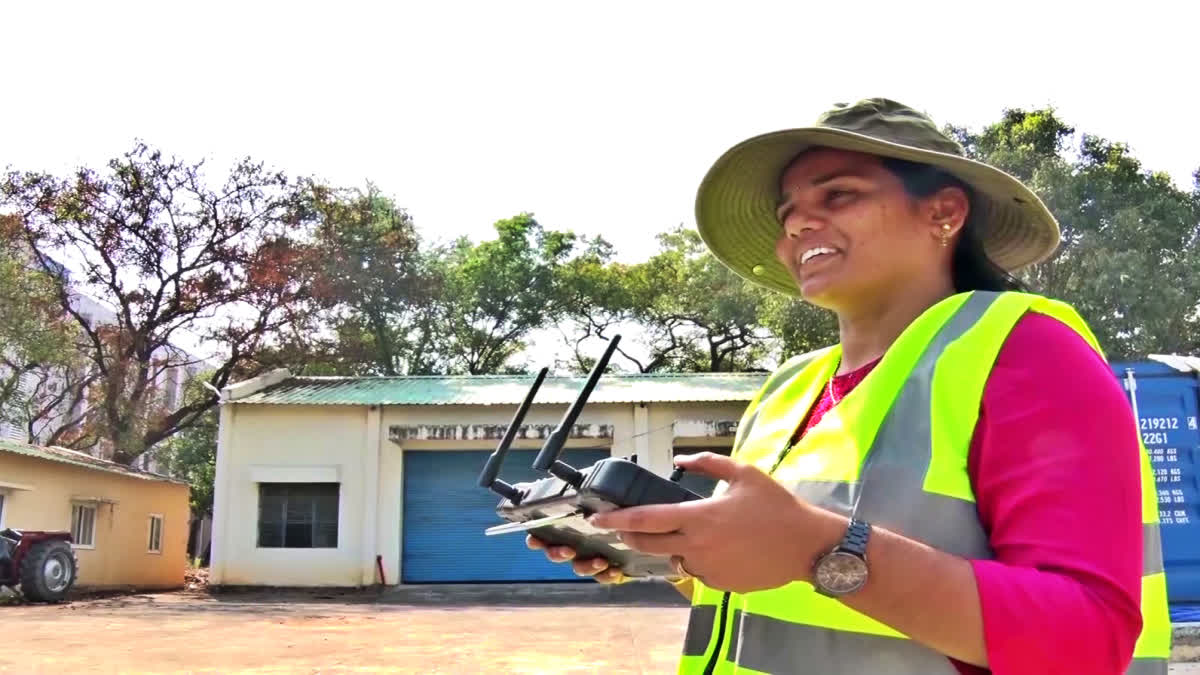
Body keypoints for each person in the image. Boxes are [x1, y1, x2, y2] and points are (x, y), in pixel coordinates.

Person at [527, 97, 1171, 674]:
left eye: (838, 196)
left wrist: (816, 544)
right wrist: (670, 555)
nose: (799, 226)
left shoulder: (1025, 353)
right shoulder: (786, 387)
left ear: (944, 212)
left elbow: (1087, 643)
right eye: (789, 214)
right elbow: (791, 596)